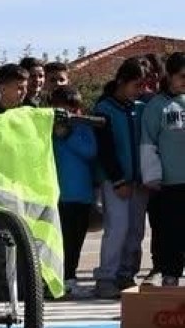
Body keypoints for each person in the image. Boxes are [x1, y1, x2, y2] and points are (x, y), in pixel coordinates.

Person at [93, 58, 149, 298]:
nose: (140, 91)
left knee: (136, 230)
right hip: (116, 182)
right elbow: (105, 149)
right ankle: (106, 277)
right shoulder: (104, 109)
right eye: (136, 85)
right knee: (117, 228)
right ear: (121, 82)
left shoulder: (139, 108)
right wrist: (117, 180)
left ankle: (127, 274)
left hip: (138, 181)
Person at [139, 52, 185, 286]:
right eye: (182, 76)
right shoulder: (157, 106)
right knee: (171, 233)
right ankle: (169, 275)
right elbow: (148, 142)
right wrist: (152, 175)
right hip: (169, 183)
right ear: (169, 75)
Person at [49, 85, 98, 296]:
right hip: (58, 196)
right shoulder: (47, 130)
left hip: (82, 195)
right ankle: (56, 279)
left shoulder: (83, 127)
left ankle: (70, 277)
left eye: (72, 109)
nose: (68, 114)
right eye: (62, 110)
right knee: (59, 241)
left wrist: (68, 135)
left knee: (76, 240)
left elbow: (90, 151)